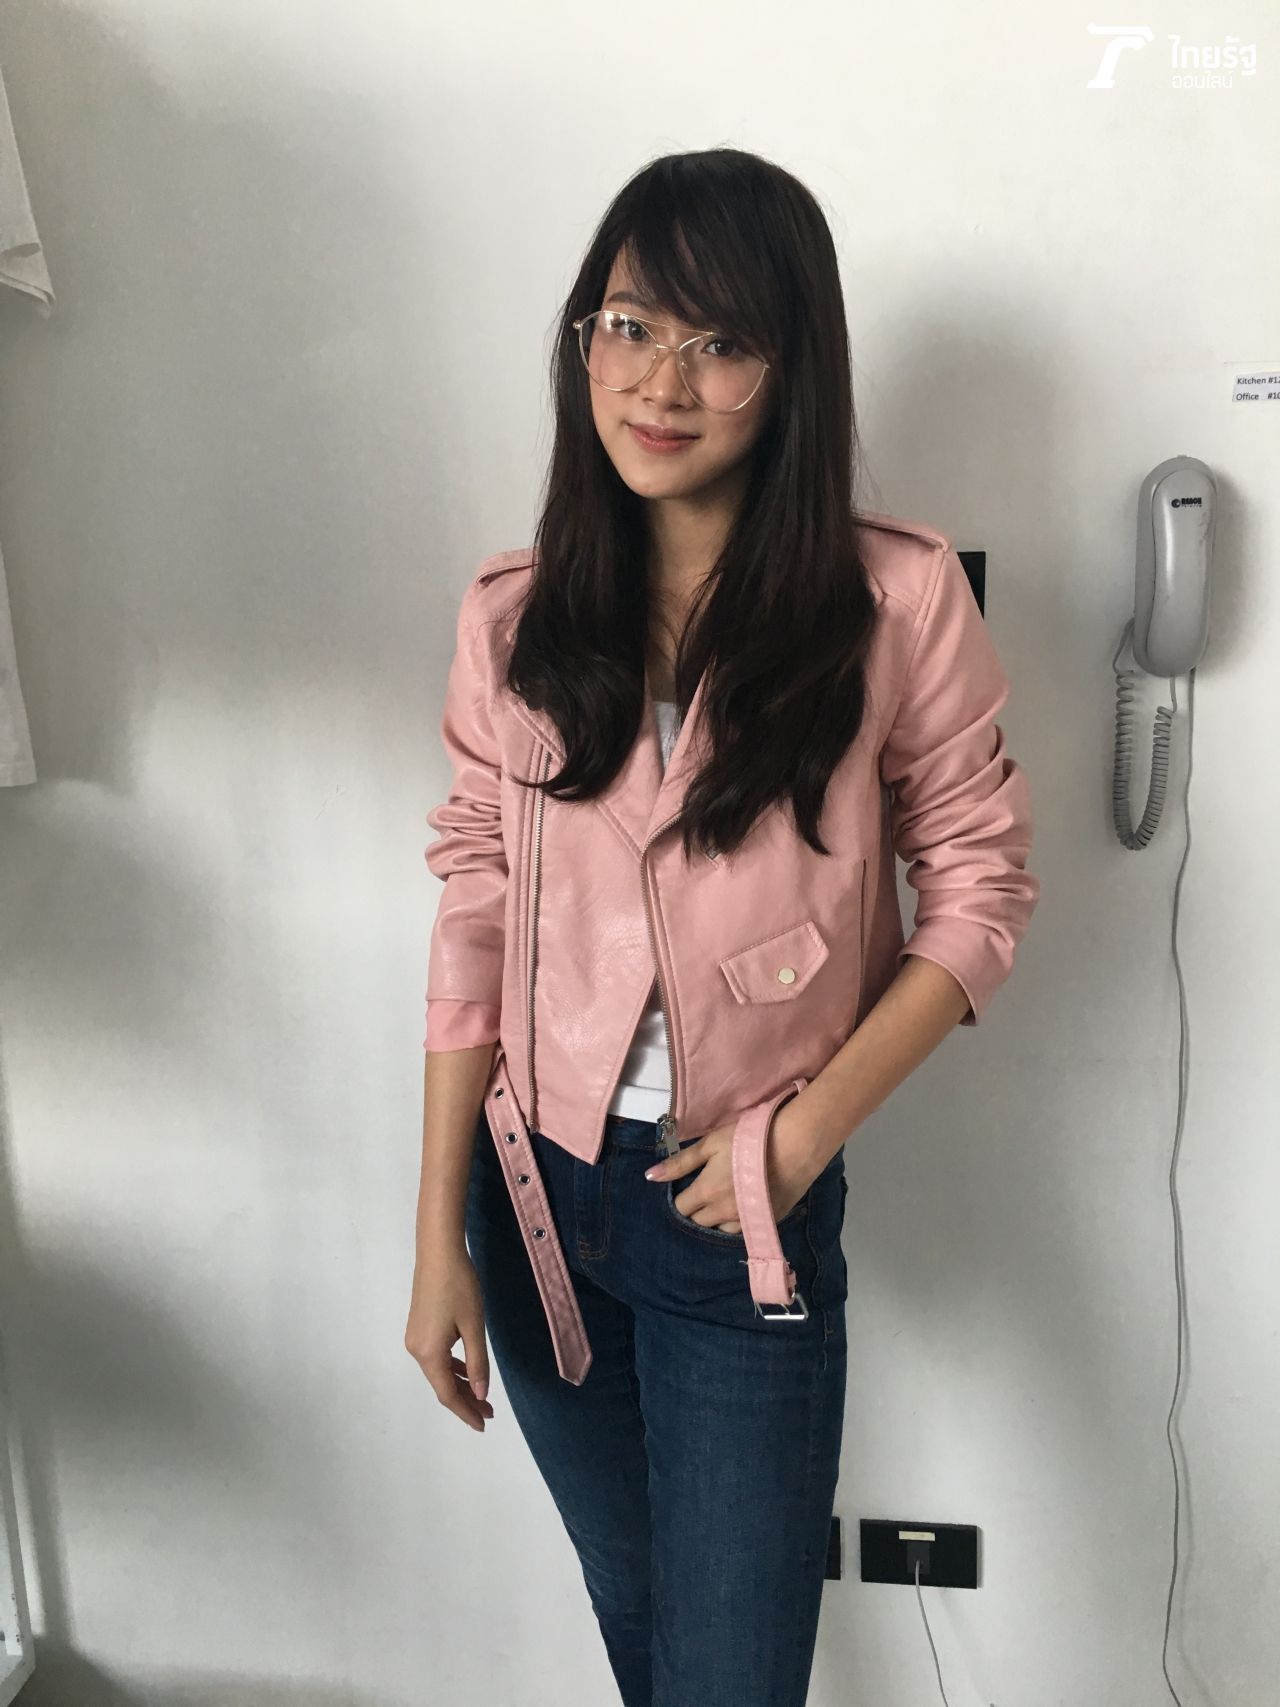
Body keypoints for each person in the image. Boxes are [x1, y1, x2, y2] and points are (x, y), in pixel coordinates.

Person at [407, 147, 1040, 1707]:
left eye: (721, 340)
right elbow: (474, 915)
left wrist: (802, 1136)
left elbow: (980, 890)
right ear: (583, 339)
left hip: (735, 1214)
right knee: (646, 1638)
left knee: (732, 1677)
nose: (661, 381)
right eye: (630, 326)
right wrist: (434, 1239)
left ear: (791, 366)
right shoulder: (513, 616)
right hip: (533, 1201)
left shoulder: (893, 607)